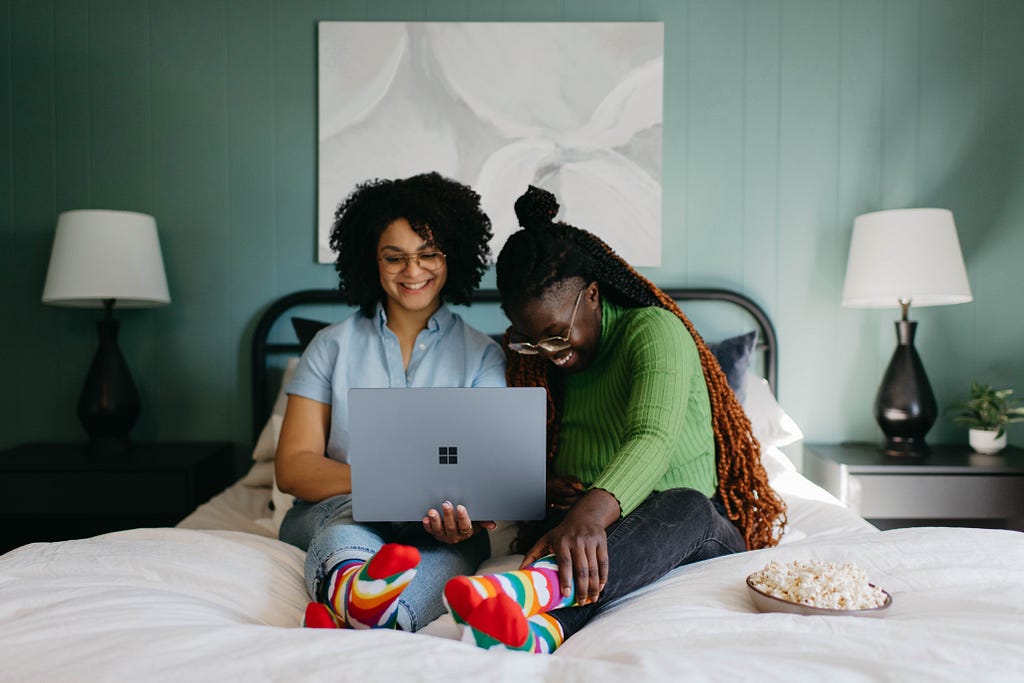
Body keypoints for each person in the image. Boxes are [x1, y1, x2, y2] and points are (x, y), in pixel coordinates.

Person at [441, 185, 787, 653]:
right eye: (530, 340)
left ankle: (530, 591)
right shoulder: (541, 362)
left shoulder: (654, 331)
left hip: (694, 529)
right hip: (605, 530)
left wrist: (587, 514)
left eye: (557, 336)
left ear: (594, 295)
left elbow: (651, 438)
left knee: (683, 503)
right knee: (580, 534)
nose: (550, 355)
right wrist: (542, 489)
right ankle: (540, 633)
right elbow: (525, 451)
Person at [276, 172, 506, 633]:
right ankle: (360, 596)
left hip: (436, 522)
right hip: (341, 505)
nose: (413, 271)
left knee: (455, 549)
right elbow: (293, 468)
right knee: (347, 518)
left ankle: (370, 613)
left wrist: (462, 516)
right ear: (371, 260)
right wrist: (384, 487)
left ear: (451, 257)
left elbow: (488, 474)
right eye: (394, 257)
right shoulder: (330, 346)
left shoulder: (483, 354)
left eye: (428, 255)